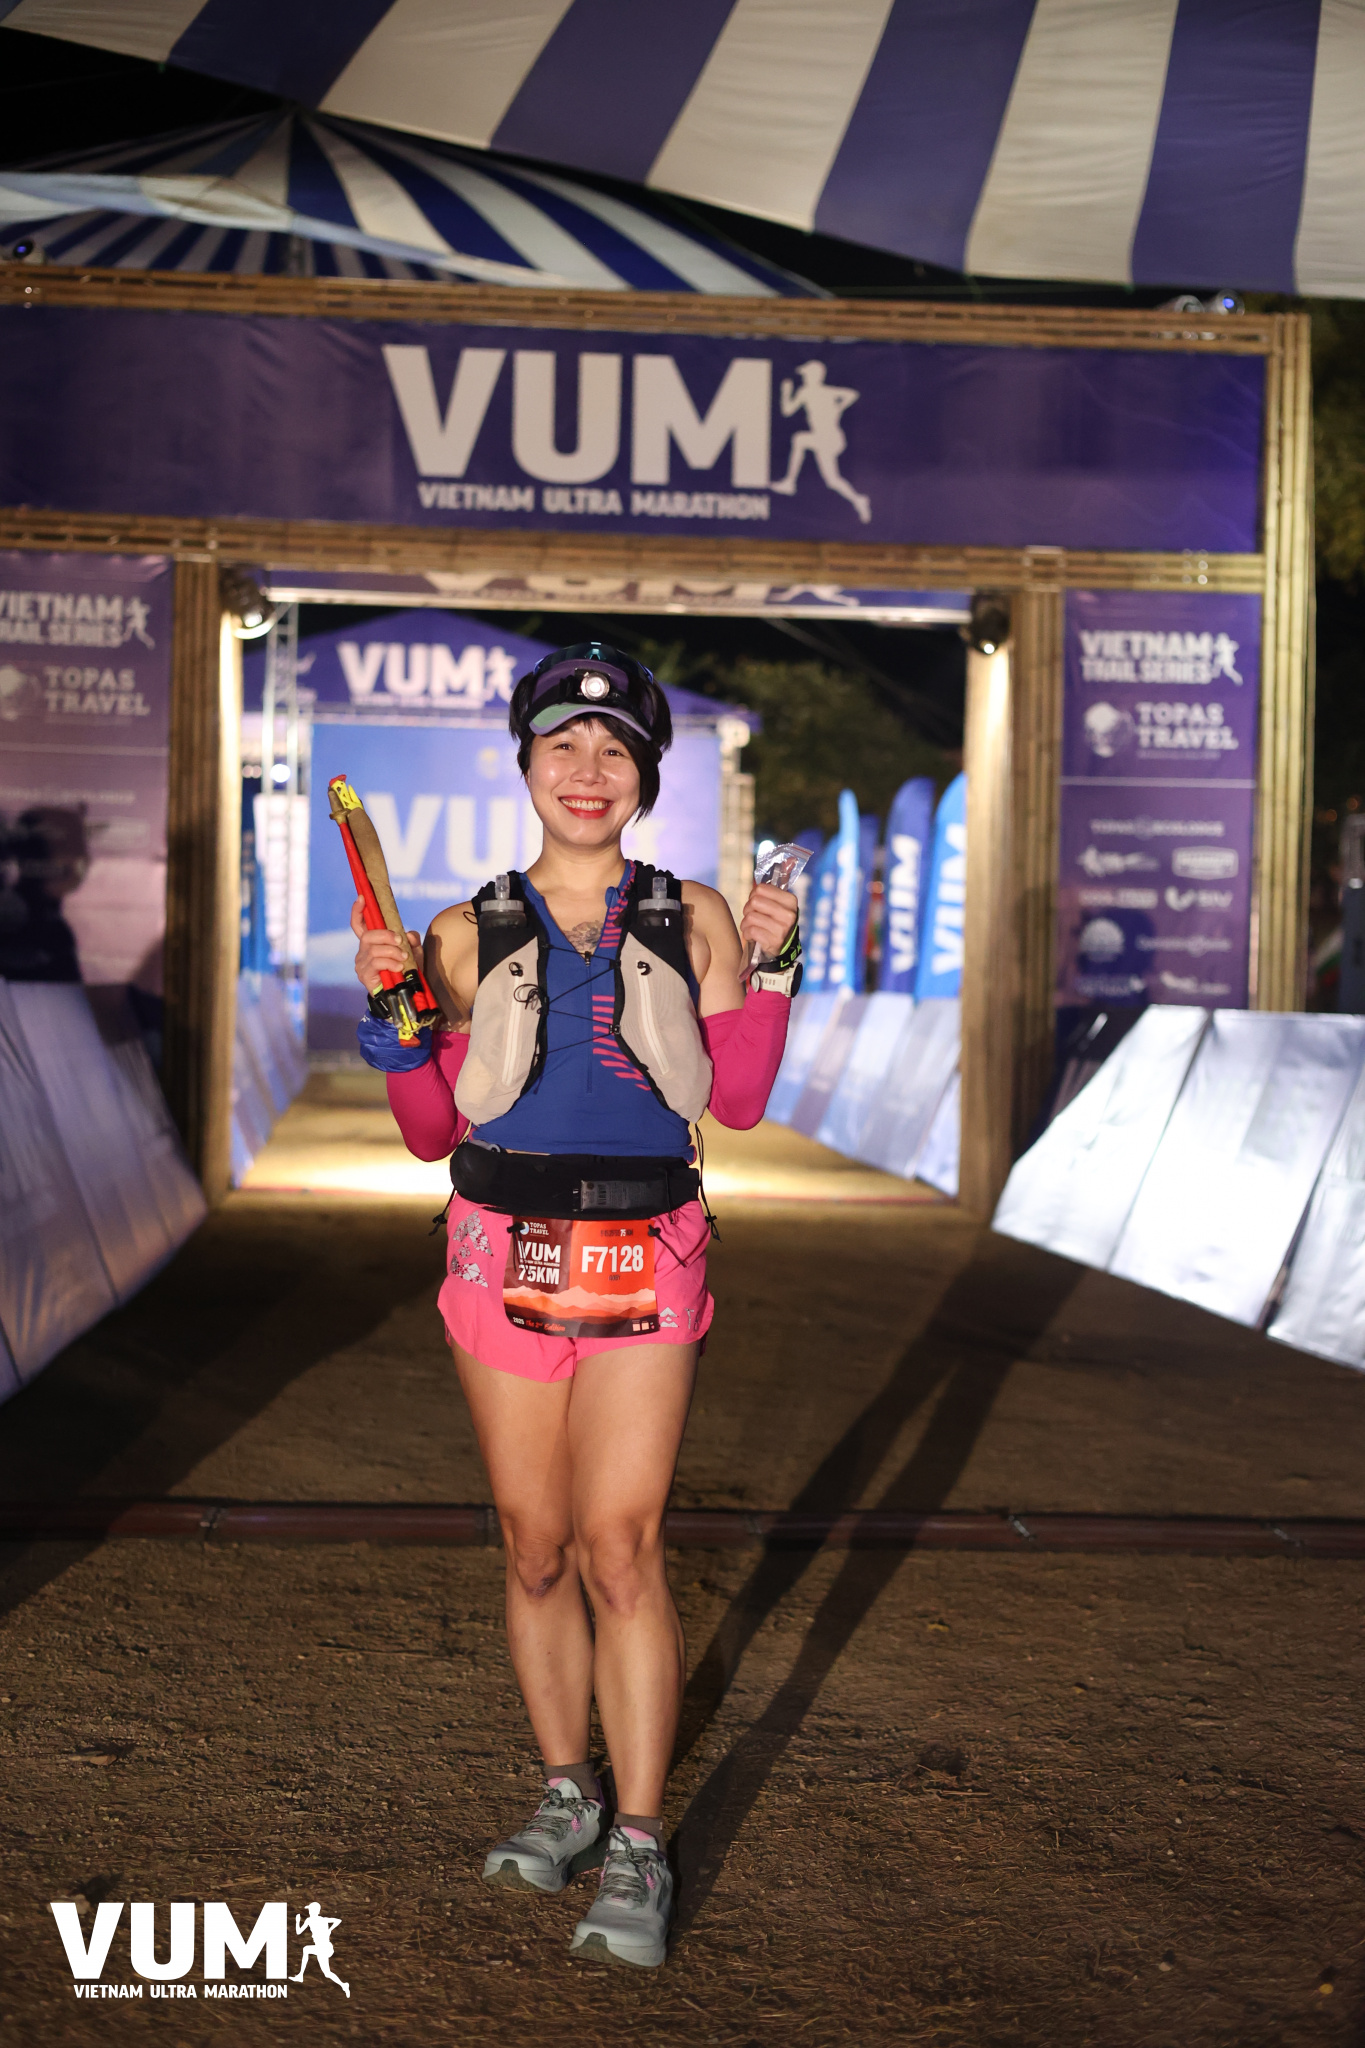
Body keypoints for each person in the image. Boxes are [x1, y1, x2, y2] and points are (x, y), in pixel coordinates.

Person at [351, 642, 801, 1970]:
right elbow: (430, 1130)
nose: (588, 769)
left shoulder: (694, 914)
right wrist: (396, 1022)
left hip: (646, 1252)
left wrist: (772, 969)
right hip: (500, 1250)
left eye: (615, 750)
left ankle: (641, 1838)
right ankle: (566, 1789)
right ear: (527, 766)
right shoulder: (460, 932)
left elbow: (738, 1104)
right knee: (535, 1547)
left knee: (619, 1547)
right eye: (564, 746)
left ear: (645, 776)